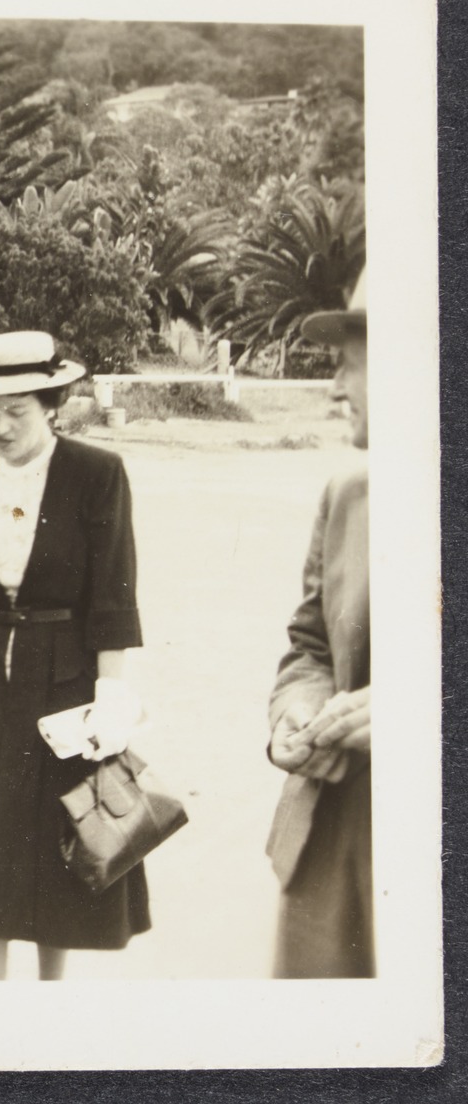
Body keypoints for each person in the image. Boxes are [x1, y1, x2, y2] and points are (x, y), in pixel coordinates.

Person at [0, 330, 147, 980]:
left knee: (57, 838)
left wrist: (111, 695)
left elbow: (113, 592)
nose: (1, 427)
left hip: (67, 679)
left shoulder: (95, 473)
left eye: (17, 411)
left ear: (51, 404)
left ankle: (49, 993)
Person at [265, 270, 372, 978]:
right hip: (329, 850)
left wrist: (419, 713)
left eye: (350, 365)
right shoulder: (347, 494)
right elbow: (309, 646)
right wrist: (297, 714)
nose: (336, 388)